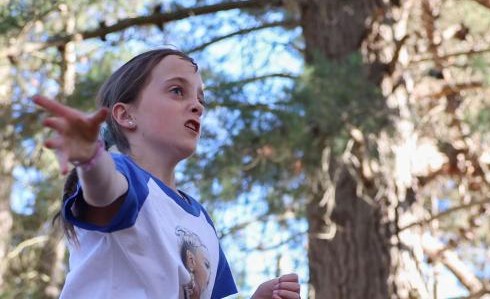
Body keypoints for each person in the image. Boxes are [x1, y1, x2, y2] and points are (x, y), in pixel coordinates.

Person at [32, 48, 301, 298]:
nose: (198, 106)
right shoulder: (124, 176)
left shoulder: (201, 220)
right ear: (126, 115)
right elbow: (104, 192)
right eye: (177, 91)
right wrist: (92, 158)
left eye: (200, 98)